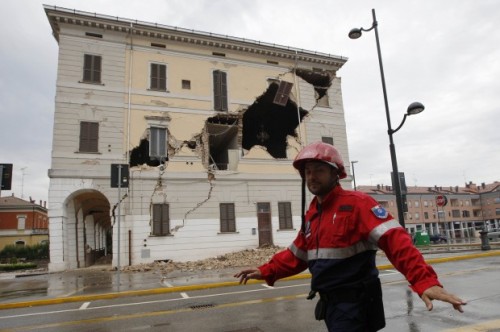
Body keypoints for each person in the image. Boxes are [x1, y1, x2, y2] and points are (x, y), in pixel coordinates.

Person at [234, 141, 465, 331]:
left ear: (336, 174)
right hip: (332, 305)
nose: (311, 176)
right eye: (307, 171)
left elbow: (396, 242)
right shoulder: (313, 214)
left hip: (356, 304)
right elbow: (297, 254)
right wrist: (265, 270)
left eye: (319, 170)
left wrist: (424, 281)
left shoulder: (358, 204)